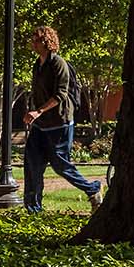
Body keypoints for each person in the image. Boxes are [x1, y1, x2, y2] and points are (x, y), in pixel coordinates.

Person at [20, 25, 103, 214]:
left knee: (60, 165)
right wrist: (34, 112)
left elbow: (61, 94)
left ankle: (93, 188)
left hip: (59, 123)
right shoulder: (37, 64)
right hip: (40, 124)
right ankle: (33, 209)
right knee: (32, 163)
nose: (33, 43)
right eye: (33, 39)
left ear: (47, 42)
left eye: (37, 39)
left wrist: (38, 111)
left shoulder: (58, 63)